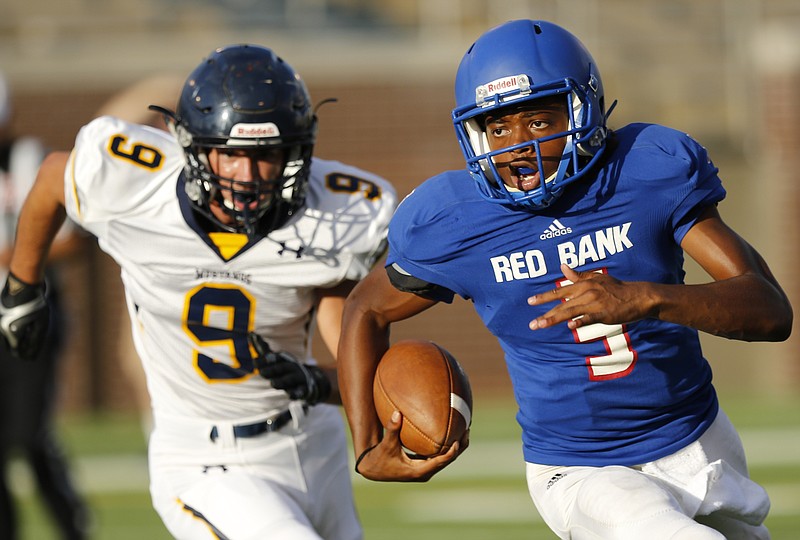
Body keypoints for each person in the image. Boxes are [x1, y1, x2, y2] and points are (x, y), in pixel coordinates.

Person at [337, 19, 793, 540]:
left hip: (699, 436)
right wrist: (368, 443)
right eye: (498, 127)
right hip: (582, 468)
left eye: (537, 122)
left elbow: (769, 310)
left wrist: (645, 298)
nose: (514, 147)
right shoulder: (455, 220)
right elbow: (365, 308)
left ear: (583, 110)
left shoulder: (645, 171)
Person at [0, 45, 396, 540]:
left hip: (314, 445)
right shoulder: (133, 182)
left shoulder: (336, 216)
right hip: (209, 459)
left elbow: (348, 353)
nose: (247, 176)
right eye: (230, 154)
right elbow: (52, 177)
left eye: (266, 155)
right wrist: (23, 286)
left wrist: (321, 382)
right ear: (192, 147)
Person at [0, 69, 90, 540]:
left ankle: (72, 525)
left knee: (28, 437)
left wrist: (16, 258)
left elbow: (74, 238)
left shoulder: (29, 158)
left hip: (26, 315)